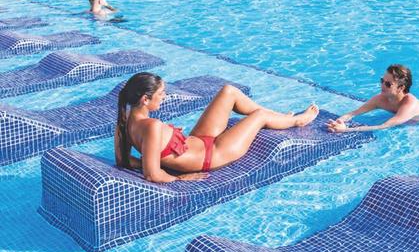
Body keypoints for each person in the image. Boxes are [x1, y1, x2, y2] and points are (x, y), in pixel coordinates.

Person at [114, 72, 319, 183]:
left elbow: (124, 161)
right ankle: (296, 120)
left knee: (228, 92)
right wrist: (178, 177)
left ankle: (281, 117)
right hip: (215, 154)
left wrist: (152, 158)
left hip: (198, 140)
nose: (165, 96)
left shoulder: (123, 124)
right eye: (161, 94)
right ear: (145, 99)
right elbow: (153, 175)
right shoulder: (151, 126)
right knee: (260, 116)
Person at [326, 64, 419, 133]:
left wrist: (345, 130)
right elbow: (353, 113)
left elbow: (383, 126)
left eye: (388, 84)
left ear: (401, 88)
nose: (382, 85)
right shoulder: (381, 98)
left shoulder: (409, 105)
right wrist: (339, 121)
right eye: (382, 81)